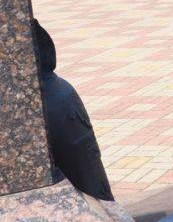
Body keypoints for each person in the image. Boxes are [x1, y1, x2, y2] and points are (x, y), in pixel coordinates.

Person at [33, 20, 114, 201]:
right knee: (94, 192)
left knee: (91, 194)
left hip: (49, 104)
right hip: (55, 96)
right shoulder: (58, 90)